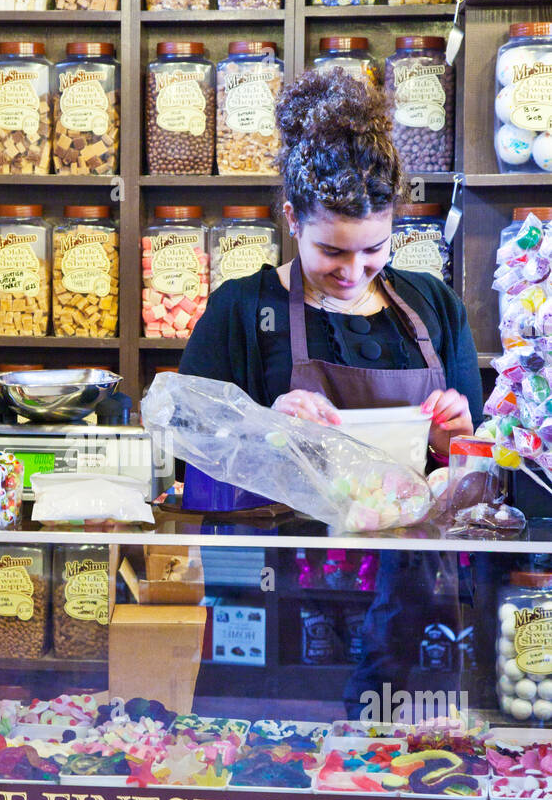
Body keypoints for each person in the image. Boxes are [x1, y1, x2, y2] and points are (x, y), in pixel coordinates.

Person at [178, 68, 485, 717]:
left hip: (412, 614)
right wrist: (264, 428)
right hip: (275, 610)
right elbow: (191, 473)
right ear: (291, 218)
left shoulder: (434, 308)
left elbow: (479, 483)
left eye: (374, 249)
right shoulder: (242, 311)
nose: (352, 273)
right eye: (330, 253)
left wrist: (457, 442)